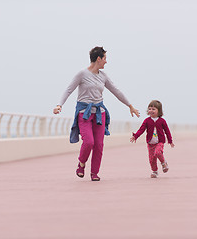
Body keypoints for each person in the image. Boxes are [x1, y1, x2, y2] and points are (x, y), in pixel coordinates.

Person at [53, 46, 140, 181]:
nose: (106, 62)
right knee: (89, 142)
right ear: (98, 59)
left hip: (100, 113)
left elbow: (116, 91)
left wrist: (130, 106)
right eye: (105, 58)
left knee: (99, 145)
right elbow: (69, 89)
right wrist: (59, 105)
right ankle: (81, 164)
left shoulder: (103, 76)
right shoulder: (82, 74)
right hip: (84, 113)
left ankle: (94, 173)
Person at [130, 100, 175, 178]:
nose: (151, 110)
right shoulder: (147, 121)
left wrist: (170, 140)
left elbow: (167, 131)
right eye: (150, 109)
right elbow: (141, 129)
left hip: (160, 142)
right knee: (152, 159)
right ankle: (155, 171)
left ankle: (164, 163)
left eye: (153, 109)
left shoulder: (162, 121)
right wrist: (135, 136)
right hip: (150, 143)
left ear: (159, 111)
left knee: (158, 152)